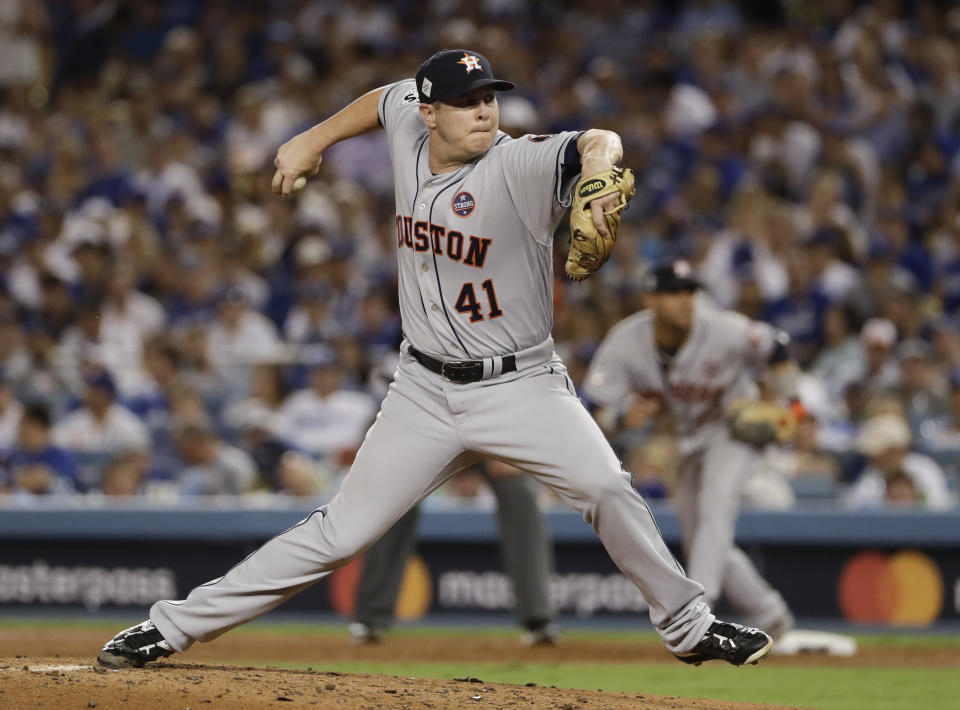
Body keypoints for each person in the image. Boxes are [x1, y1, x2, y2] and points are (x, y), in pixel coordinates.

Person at [97, 49, 771, 669]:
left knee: (604, 487)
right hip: (421, 387)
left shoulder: (518, 164)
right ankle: (173, 628)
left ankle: (688, 625)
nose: (484, 110)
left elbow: (600, 141)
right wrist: (311, 138)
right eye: (467, 100)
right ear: (431, 113)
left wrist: (597, 169)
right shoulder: (406, 127)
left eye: (490, 97)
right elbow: (382, 98)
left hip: (522, 384)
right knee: (338, 534)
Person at [584, 260, 798, 639]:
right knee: (701, 534)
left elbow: (777, 346)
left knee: (716, 503)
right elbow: (594, 404)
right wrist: (620, 416)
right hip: (683, 441)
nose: (685, 300)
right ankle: (770, 613)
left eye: (689, 291)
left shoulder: (723, 328)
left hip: (732, 429)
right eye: (673, 292)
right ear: (651, 298)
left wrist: (788, 402)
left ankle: (699, 613)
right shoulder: (626, 341)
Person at [349, 460, 557, 646]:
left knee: (518, 489)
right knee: (397, 490)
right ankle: (370, 619)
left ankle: (539, 619)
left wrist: (508, 450)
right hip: (430, 432)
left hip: (485, 432)